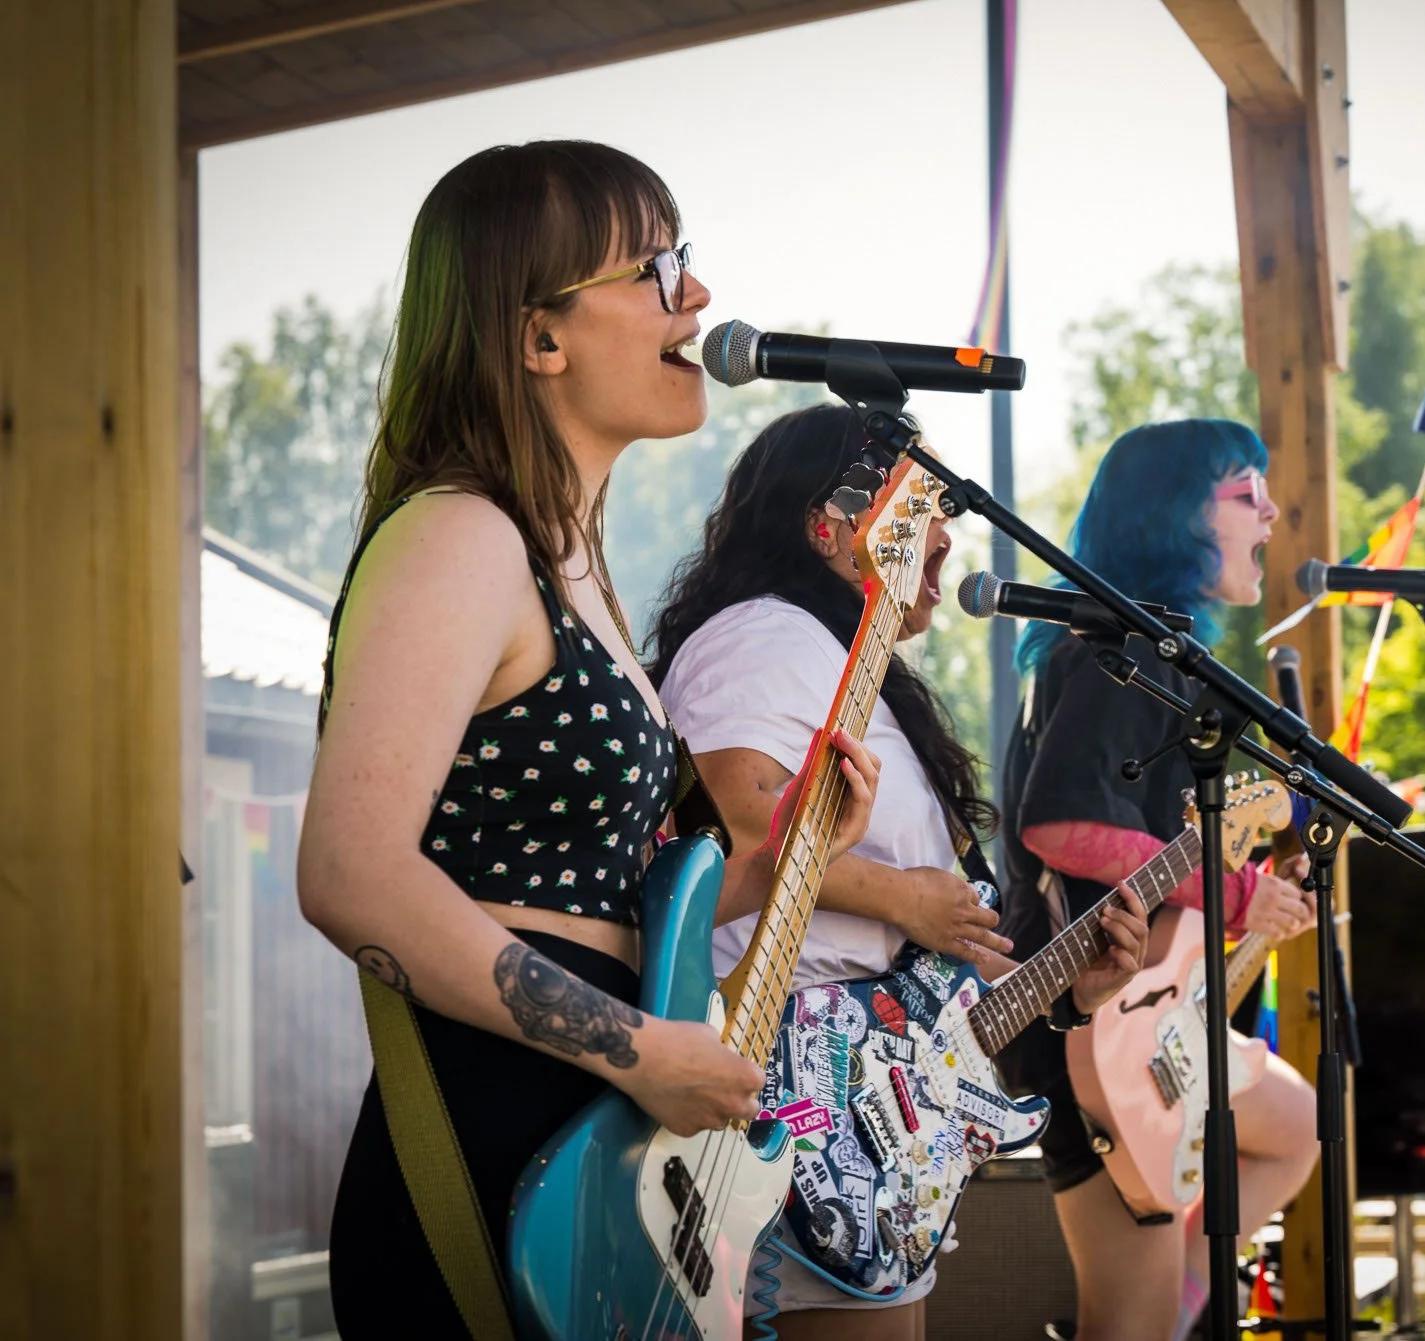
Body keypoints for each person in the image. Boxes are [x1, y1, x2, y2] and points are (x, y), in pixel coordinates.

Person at [297, 141, 882, 1336]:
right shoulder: (459, 535)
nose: (698, 298)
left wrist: (782, 868)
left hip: (593, 1128)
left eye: (690, 263)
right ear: (537, 338)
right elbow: (350, 874)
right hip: (500, 1135)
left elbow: (584, 892)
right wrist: (634, 1050)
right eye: (655, 269)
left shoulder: (567, 566)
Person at [649, 403, 1150, 1340]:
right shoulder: (765, 634)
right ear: (830, 525)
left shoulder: (836, 655)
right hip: (794, 1076)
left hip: (863, 1094)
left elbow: (926, 962)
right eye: (921, 507)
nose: (947, 535)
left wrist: (1068, 986)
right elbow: (728, 826)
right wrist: (904, 898)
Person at [998, 418, 1322, 1341]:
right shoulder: (1119, 654)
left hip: (1138, 1015)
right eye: (1244, 491)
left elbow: (1153, 845)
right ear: (1173, 514)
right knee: (1127, 1323)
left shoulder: (1151, 655)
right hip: (1088, 1026)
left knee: (1295, 1123)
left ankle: (1177, 1300)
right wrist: (1234, 897)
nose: (1269, 511)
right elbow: (1060, 825)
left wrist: (1258, 882)